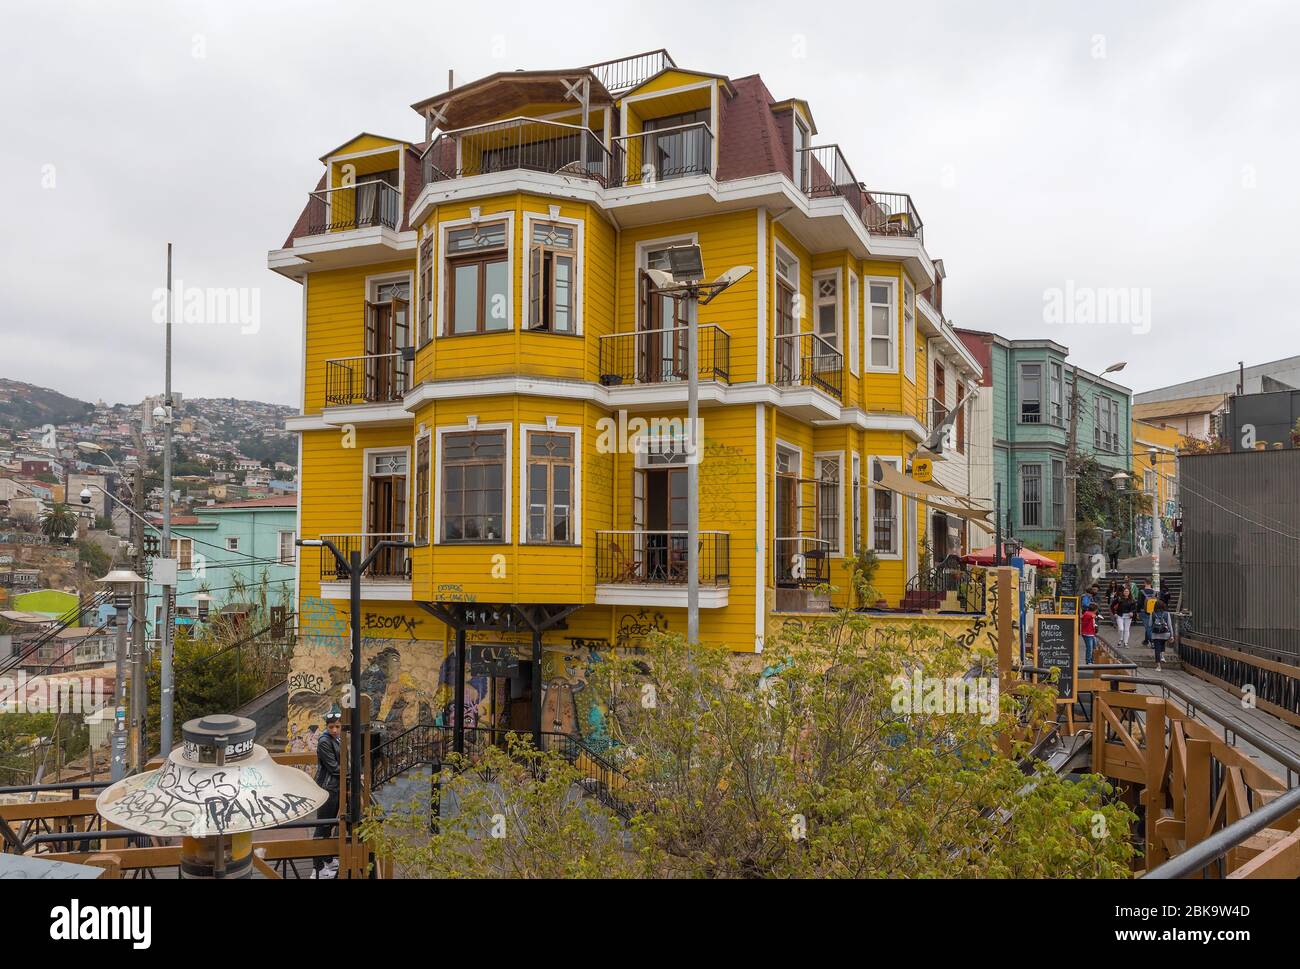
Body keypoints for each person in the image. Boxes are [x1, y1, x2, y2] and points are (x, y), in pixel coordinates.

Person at [312, 711, 342, 878]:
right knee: (322, 826)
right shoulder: (324, 741)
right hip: (327, 788)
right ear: (327, 727)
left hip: (334, 787)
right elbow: (334, 767)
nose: (334, 730)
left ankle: (327, 859)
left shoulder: (336, 739)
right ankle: (317, 868)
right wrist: (353, 774)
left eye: (337, 726)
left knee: (329, 825)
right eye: (331, 727)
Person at [1150, 598, 1173, 672]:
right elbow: (1170, 625)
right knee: (1162, 643)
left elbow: (1150, 624)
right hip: (1165, 633)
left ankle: (1159, 667)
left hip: (1156, 634)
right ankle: (1162, 656)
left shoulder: (1153, 613)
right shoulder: (1167, 613)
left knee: (1157, 649)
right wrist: (1172, 635)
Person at [1138, 581, 1156, 646]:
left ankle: (1152, 642)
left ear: (1145, 583)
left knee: (1148, 627)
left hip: (1144, 611)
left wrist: (1137, 612)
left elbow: (1139, 603)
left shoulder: (1141, 592)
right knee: (1149, 626)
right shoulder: (1155, 592)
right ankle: (1146, 641)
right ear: (1151, 584)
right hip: (1153, 612)